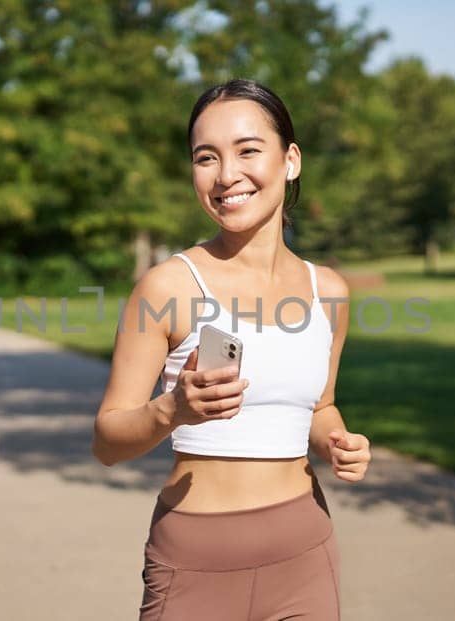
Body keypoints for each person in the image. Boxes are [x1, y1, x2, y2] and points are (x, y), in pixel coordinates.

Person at [92, 79, 373, 621]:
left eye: (248, 150)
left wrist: (339, 442)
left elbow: (319, 408)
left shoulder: (329, 291)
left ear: (290, 161)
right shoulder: (168, 287)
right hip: (196, 559)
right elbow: (107, 442)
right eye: (206, 157)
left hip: (305, 552)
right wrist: (172, 409)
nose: (226, 176)